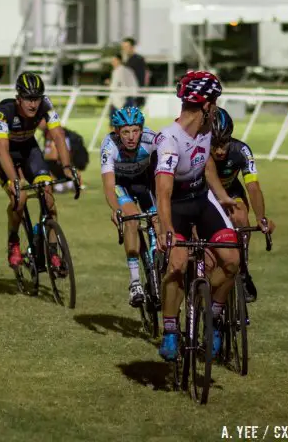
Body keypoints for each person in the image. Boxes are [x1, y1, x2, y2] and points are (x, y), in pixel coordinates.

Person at [154, 71, 239, 362]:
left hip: (202, 201)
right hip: (174, 207)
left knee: (232, 260)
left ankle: (211, 314)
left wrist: (224, 197)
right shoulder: (168, 139)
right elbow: (163, 192)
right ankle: (169, 331)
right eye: (214, 101)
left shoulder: (206, 131)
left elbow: (206, 168)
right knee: (176, 264)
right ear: (205, 104)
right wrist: (165, 229)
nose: (216, 106)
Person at [0, 71, 77, 268]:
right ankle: (13, 240)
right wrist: (14, 180)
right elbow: (2, 150)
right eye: (28, 99)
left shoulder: (46, 106)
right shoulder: (3, 111)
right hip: (6, 153)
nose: (33, 104)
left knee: (48, 196)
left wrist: (66, 166)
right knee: (19, 198)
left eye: (36, 98)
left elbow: (58, 136)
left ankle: (53, 252)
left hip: (29, 149)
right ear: (18, 98)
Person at [210, 108, 276, 302]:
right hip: (205, 195)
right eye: (215, 145)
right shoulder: (199, 151)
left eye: (224, 143)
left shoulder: (242, 150)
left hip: (232, 192)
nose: (220, 150)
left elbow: (253, 187)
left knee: (240, 217)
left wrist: (261, 218)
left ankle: (244, 270)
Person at [100, 107, 157, 307]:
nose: (131, 137)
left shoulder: (152, 140)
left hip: (145, 183)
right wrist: (116, 209)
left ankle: (156, 262)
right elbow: (108, 187)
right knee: (131, 219)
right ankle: (135, 283)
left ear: (142, 130)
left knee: (157, 219)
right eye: (125, 132)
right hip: (121, 186)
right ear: (117, 132)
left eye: (135, 131)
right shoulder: (109, 146)